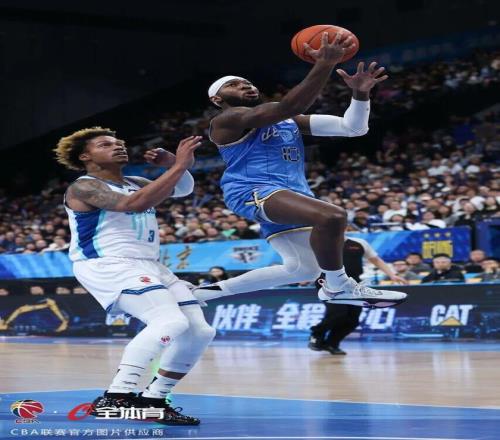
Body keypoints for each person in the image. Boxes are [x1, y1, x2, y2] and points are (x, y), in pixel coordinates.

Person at [194, 32, 407, 309]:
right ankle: (338, 287)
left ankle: (206, 293)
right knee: (332, 216)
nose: (245, 85)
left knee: (302, 269)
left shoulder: (289, 120)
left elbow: (353, 128)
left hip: (290, 193)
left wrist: (360, 94)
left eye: (247, 82)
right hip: (251, 190)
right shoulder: (227, 119)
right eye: (233, 85)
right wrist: (325, 63)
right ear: (217, 99)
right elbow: (290, 105)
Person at [54, 127, 215, 425]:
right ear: (85, 156)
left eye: (120, 142)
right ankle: (116, 396)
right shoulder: (83, 187)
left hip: (150, 264)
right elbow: (133, 204)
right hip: (108, 263)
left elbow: (183, 189)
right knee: (170, 321)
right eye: (106, 144)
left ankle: (155, 399)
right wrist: (180, 164)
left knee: (199, 332)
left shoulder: (136, 182)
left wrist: (172, 165)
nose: (118, 146)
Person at [309, 234, 408, 355]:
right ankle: (316, 334)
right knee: (337, 313)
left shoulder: (359, 243)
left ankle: (332, 344)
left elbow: (376, 259)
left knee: (353, 320)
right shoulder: (320, 242)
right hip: (328, 282)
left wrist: (392, 274)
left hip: (353, 284)